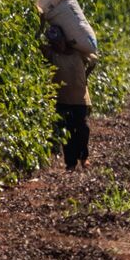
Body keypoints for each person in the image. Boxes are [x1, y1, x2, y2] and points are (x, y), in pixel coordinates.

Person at [40, 22, 97, 170]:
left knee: (83, 128)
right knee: (68, 131)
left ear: (64, 39)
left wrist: (85, 78)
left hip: (80, 98)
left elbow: (93, 61)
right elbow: (36, 43)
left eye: (59, 41)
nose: (58, 45)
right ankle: (70, 164)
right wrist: (41, 25)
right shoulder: (52, 53)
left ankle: (84, 157)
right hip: (62, 98)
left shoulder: (78, 53)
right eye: (54, 42)